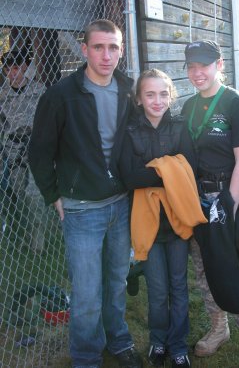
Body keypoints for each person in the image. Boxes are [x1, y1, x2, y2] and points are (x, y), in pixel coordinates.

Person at [28, 19, 142, 368]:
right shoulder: (61, 95)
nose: (106, 56)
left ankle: (118, 340)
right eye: (98, 47)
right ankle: (87, 356)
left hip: (120, 204)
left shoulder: (127, 89)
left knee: (116, 281)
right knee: (88, 293)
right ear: (84, 50)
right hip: (81, 210)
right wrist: (54, 195)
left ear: (121, 50)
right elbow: (39, 152)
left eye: (113, 48)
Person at [181, 40, 239, 368]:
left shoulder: (236, 103)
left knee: (236, 273)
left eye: (204, 65)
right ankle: (219, 328)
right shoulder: (189, 107)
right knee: (204, 270)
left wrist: (228, 208)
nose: (197, 72)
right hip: (196, 201)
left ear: (219, 65)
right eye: (191, 66)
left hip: (226, 197)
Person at [119, 69, 206, 368]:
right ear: (139, 99)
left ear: (171, 95)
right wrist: (170, 169)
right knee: (157, 290)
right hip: (149, 225)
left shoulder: (180, 127)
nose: (158, 100)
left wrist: (155, 170)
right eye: (150, 94)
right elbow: (130, 176)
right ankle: (158, 341)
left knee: (179, 287)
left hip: (177, 222)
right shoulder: (130, 131)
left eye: (163, 94)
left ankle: (178, 344)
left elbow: (190, 169)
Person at [0, 50, 49, 253]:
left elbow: (50, 121)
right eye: (8, 68)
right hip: (13, 152)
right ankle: (21, 237)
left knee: (35, 196)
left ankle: (38, 244)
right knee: (16, 195)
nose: (13, 73)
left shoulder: (40, 91)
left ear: (26, 68)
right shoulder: (2, 96)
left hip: (37, 149)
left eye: (18, 67)